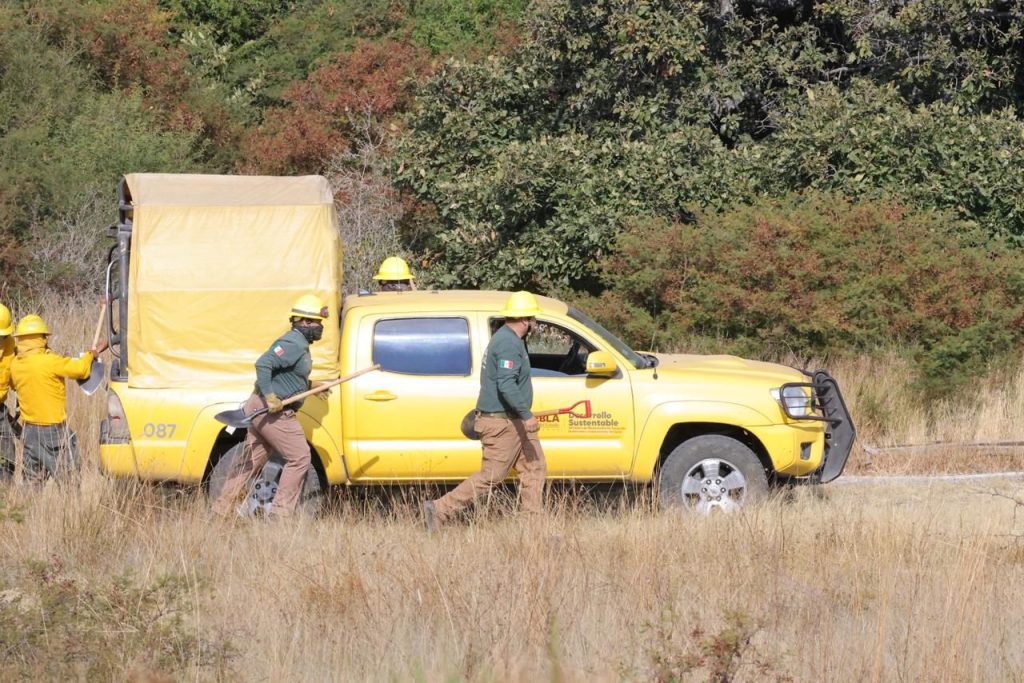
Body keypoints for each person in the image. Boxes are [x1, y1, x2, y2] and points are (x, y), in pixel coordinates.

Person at [422, 291, 548, 529]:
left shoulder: (510, 339)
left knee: (534, 467)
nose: (535, 323)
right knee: (492, 476)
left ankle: (533, 526)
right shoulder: (508, 343)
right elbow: (506, 384)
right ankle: (439, 509)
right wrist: (527, 414)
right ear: (525, 320)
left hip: (513, 421)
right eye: (533, 319)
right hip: (503, 423)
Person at [211, 294, 328, 518]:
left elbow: (286, 376)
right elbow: (263, 364)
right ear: (305, 322)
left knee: (252, 460)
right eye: (317, 322)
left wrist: (311, 385)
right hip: (272, 410)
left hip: (260, 406)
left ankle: (220, 510)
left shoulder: (298, 343)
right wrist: (271, 396)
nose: (320, 327)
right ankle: (280, 513)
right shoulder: (292, 344)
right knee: (300, 457)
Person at [10, 314, 108, 483]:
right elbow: (81, 370)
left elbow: (16, 383)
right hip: (53, 432)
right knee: (69, 480)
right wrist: (91, 355)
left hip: (29, 431)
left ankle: (26, 501)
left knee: (32, 482)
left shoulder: (15, 365)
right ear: (42, 338)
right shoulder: (52, 362)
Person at [0, 304, 16, 480]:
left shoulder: (11, 345)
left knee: (7, 454)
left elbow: (16, 374)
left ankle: (5, 488)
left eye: (3, 336)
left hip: (0, 409)